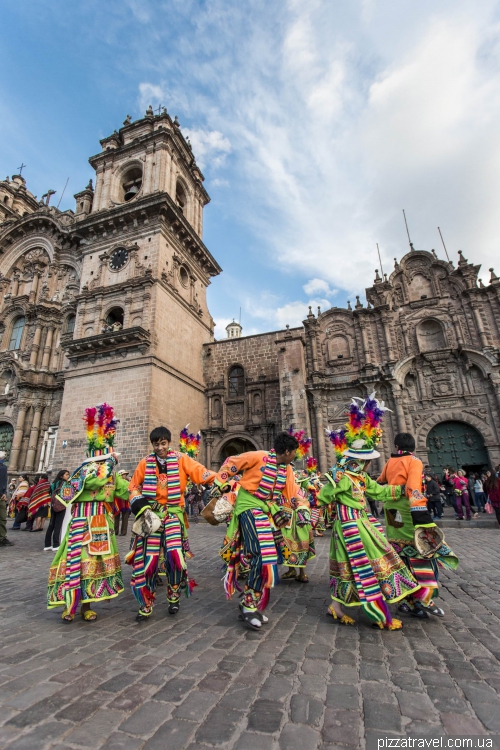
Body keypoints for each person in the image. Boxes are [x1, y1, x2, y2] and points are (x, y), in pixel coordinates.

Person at [320, 395, 421, 630]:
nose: (368, 465)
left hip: (360, 524)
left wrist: (404, 490)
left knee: (348, 565)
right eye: (366, 461)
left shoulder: (361, 479)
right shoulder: (344, 479)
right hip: (350, 528)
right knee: (370, 561)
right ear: (358, 462)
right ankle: (374, 610)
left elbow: (379, 492)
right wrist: (331, 487)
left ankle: (337, 606)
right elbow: (323, 495)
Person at [213, 432, 305, 630]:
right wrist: (224, 485)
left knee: (267, 558)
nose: (295, 456)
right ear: (287, 451)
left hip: (265, 510)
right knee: (259, 555)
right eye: (294, 452)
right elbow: (231, 462)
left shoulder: (287, 470)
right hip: (247, 507)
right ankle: (248, 606)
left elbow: (293, 491)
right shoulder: (257, 456)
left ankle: (250, 602)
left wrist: (303, 507)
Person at [47, 403, 129, 623]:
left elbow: (125, 490)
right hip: (82, 524)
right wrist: (108, 466)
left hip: (102, 525)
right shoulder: (84, 472)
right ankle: (69, 607)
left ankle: (86, 607)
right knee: (75, 565)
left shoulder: (111, 473)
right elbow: (88, 483)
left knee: (93, 568)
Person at [127, 426, 215, 621]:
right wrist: (142, 505)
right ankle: (146, 603)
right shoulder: (145, 463)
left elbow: (200, 472)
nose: (160, 448)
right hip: (151, 517)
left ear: (169, 443)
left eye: (163, 443)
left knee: (175, 557)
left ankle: (173, 596)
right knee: (148, 561)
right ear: (153, 445)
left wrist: (220, 481)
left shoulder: (182, 459)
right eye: (156, 444)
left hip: (174, 515)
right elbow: (133, 486)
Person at [378, 433, 458, 619]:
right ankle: (424, 598)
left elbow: (381, 480)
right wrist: (421, 517)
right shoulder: (414, 461)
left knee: (400, 552)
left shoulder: (390, 462)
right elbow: (413, 487)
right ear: (413, 447)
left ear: (397, 445)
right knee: (421, 551)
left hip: (391, 510)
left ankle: (406, 601)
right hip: (407, 510)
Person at [44, 469, 70, 551]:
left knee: (51, 524)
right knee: (58, 525)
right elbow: (67, 495)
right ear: (61, 476)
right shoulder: (64, 484)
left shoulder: (54, 483)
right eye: (66, 475)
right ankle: (56, 544)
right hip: (61, 505)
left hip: (53, 505)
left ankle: (47, 544)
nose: (68, 476)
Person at [113, 469, 131, 536]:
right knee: (116, 517)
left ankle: (123, 532)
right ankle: (115, 531)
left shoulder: (127, 482)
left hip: (125, 501)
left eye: (125, 475)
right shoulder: (117, 482)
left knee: (125, 517)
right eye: (124, 474)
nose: (125, 476)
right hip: (118, 501)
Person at [0, 451, 11, 547]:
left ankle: (2, 538)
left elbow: (3, 482)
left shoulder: (3, 467)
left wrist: (4, 493)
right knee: (2, 518)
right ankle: (2, 538)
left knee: (2, 518)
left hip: (1, 495)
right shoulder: (3, 468)